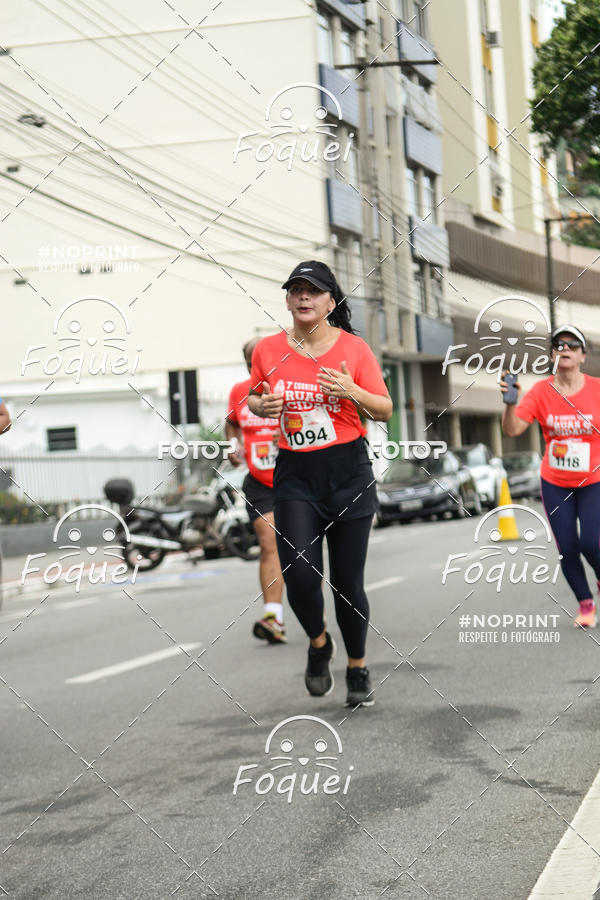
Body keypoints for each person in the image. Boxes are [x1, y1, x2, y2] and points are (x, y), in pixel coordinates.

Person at [248, 261, 392, 707]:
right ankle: (319, 642)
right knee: (300, 576)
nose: (303, 296)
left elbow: (384, 408)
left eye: (312, 290)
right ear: (288, 300)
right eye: (296, 290)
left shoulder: (354, 350)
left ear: (331, 301)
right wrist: (261, 405)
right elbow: (253, 395)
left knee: (347, 584)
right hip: (296, 475)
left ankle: (357, 667)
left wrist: (353, 391)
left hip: (348, 473)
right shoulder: (268, 350)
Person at [500, 325, 600, 628]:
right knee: (567, 547)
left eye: (572, 345)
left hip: (594, 480)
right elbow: (513, 429)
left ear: (583, 355)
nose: (565, 349)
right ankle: (585, 604)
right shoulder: (541, 392)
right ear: (553, 355)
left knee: (591, 542)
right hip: (556, 481)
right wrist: (510, 403)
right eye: (559, 345)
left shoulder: (597, 388)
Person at [226, 339, 286, 644]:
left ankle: (316, 618)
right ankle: (273, 618)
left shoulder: (288, 385)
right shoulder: (239, 391)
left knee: (302, 551)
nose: (255, 367)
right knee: (268, 544)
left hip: (295, 477)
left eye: (259, 361)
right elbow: (231, 423)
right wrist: (232, 446)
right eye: (250, 363)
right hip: (260, 482)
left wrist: (286, 433)